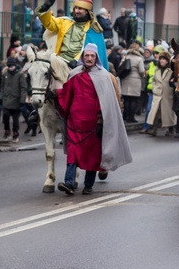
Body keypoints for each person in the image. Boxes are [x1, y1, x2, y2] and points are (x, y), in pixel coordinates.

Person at [56, 43, 132, 195]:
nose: (89, 58)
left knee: (91, 156)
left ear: (96, 58)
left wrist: (101, 121)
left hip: (92, 125)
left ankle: (88, 185)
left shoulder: (103, 76)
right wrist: (53, 93)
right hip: (74, 123)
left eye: (92, 56)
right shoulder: (75, 74)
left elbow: (107, 103)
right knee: (73, 153)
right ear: (82, 57)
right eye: (86, 56)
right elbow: (66, 94)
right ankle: (69, 183)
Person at [36, 0, 108, 68]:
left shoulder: (93, 30)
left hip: (80, 66)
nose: (76, 11)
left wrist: (77, 60)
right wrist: (44, 9)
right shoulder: (65, 22)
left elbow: (92, 54)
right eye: (75, 8)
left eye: (80, 9)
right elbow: (50, 23)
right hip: (59, 60)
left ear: (87, 12)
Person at [143, 51, 177, 136]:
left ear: (167, 61)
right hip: (157, 94)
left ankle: (170, 129)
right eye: (161, 59)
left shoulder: (171, 70)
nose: (162, 61)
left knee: (168, 113)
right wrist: (154, 88)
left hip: (167, 94)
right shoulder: (157, 70)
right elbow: (153, 80)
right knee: (155, 112)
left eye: (164, 59)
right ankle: (154, 129)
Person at [0, 57, 27, 142]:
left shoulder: (20, 74)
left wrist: (22, 99)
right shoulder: (5, 74)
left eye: (12, 66)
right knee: (5, 116)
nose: (10, 68)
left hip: (16, 100)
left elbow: (23, 88)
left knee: (15, 119)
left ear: (15, 65)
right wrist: (1, 97)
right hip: (6, 99)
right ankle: (7, 131)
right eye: (9, 66)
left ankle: (16, 133)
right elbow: (2, 87)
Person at [120, 43, 145, 123]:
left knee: (126, 99)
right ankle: (131, 117)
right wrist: (143, 76)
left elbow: (121, 66)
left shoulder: (126, 57)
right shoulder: (139, 59)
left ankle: (125, 116)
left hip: (126, 79)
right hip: (135, 80)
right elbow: (141, 71)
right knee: (133, 100)